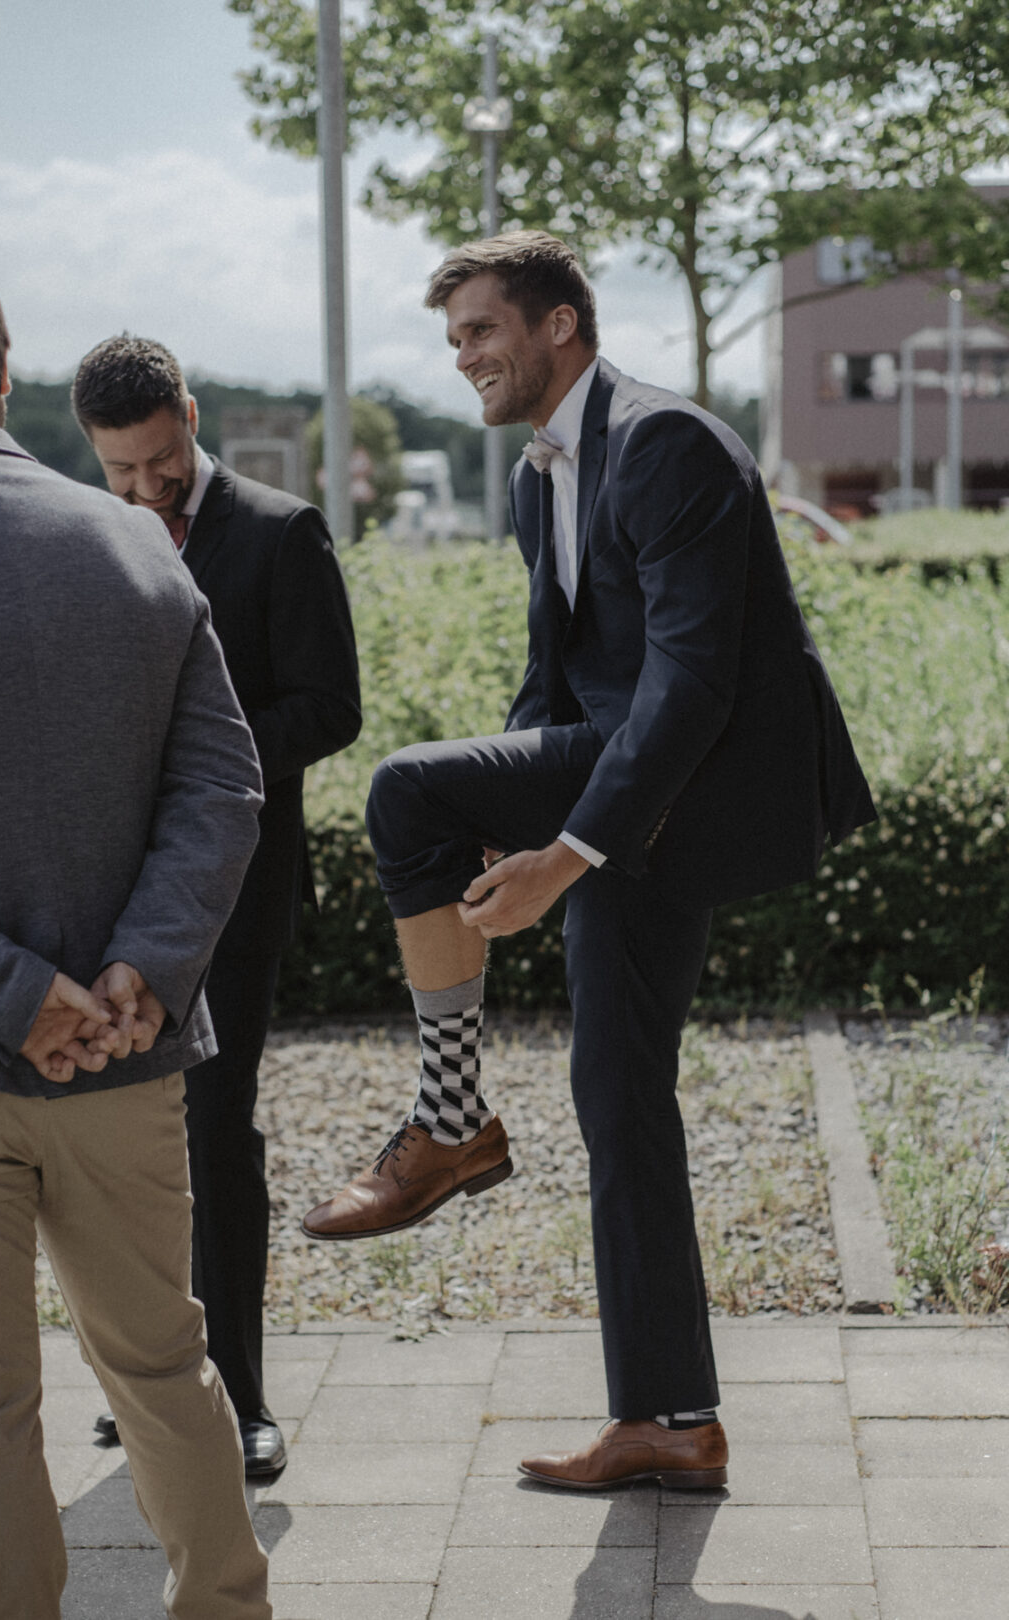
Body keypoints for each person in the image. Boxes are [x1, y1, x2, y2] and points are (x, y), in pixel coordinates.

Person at [302, 231, 876, 1492]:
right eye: (453, 339)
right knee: (618, 1096)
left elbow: (690, 683)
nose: (465, 357)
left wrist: (563, 852)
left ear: (558, 324)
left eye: (481, 331)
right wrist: (514, 812)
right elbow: (555, 676)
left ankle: (448, 1119)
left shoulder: (668, 444)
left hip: (697, 788)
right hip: (623, 785)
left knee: (403, 790)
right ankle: (669, 1420)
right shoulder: (536, 477)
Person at [0, 245, 270, 1617]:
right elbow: (224, 786)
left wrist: (11, 992)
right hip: (129, 1053)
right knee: (164, 1366)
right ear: (6, 377)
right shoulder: (135, 541)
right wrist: (142, 968)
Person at [71, 337, 361, 1477]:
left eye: (162, 462)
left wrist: (200, 760)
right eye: (120, 471)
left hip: (235, 887)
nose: (146, 489)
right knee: (121, 1148)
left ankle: (239, 1397)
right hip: (106, 893)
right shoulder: (87, 532)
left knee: (214, 1133)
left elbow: (332, 707)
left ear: (190, 416)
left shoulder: (285, 534)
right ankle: (152, 1386)